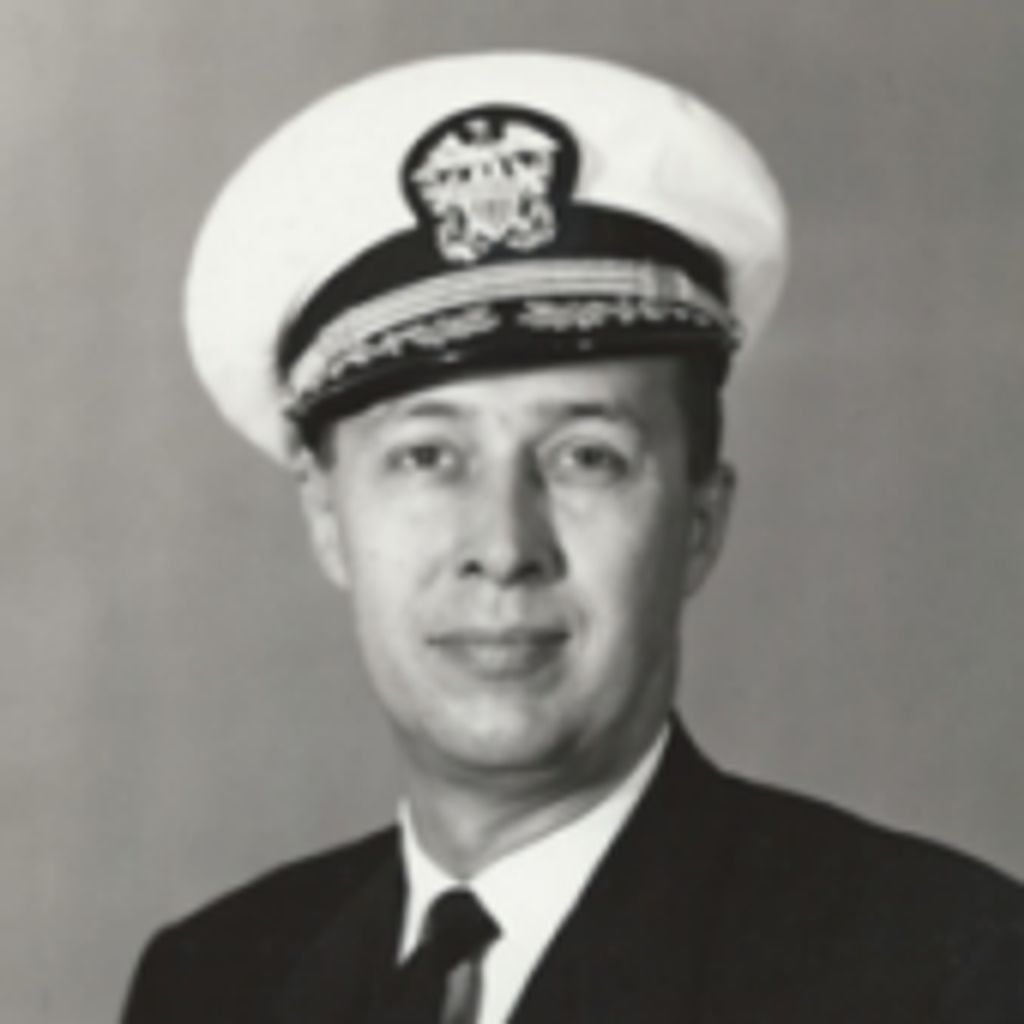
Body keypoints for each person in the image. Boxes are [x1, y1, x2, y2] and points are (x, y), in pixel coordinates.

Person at [121, 51, 1024, 1023]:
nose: (504, 546)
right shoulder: (215, 982)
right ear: (327, 519)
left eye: (587, 457)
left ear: (699, 523)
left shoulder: (947, 973)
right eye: (427, 456)